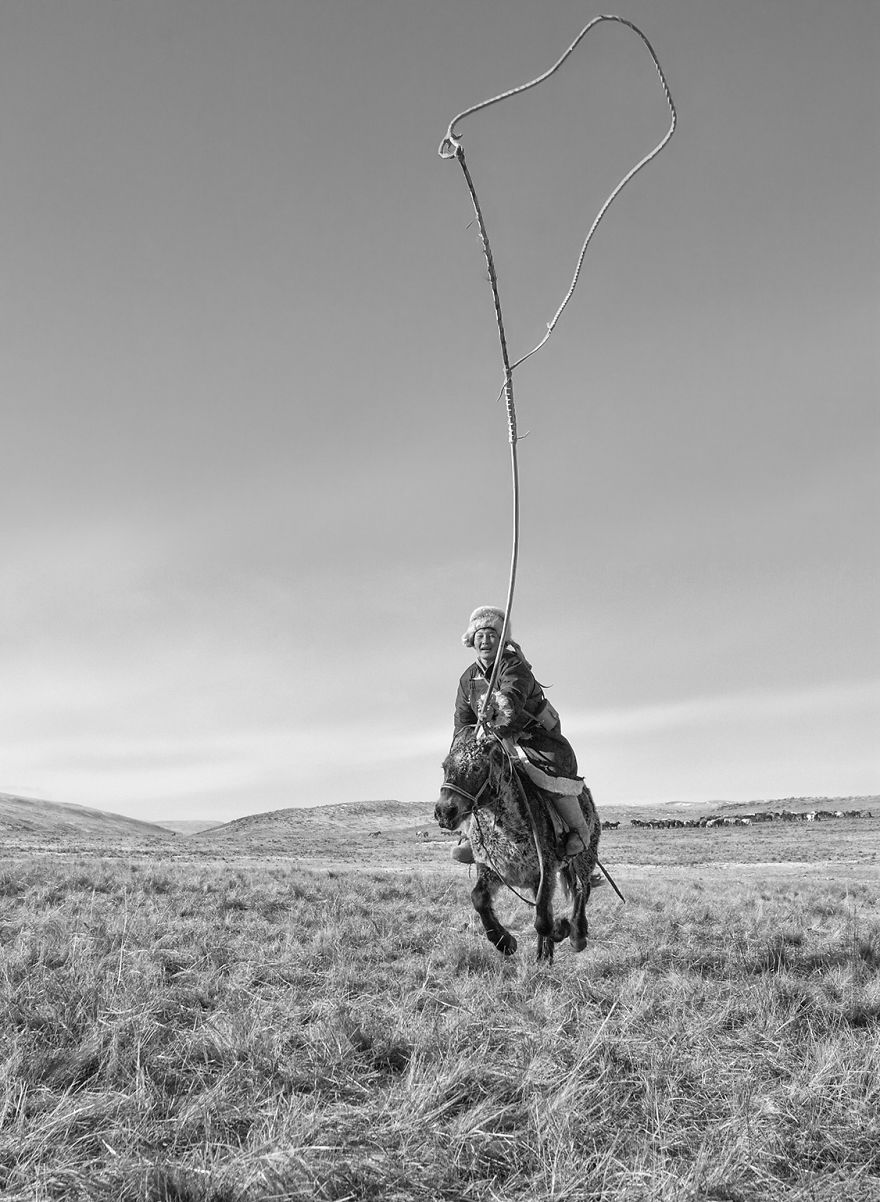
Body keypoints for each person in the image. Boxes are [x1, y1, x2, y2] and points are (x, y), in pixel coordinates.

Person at [451, 605, 597, 865]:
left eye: (492, 635)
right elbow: (463, 720)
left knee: (550, 775)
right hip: (492, 742)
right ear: (472, 640)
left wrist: (496, 708)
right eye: (480, 635)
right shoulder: (467, 679)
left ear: (502, 640)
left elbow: (513, 694)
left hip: (532, 737)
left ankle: (579, 830)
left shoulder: (513, 665)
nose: (485, 641)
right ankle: (472, 836)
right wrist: (461, 750)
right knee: (470, 777)